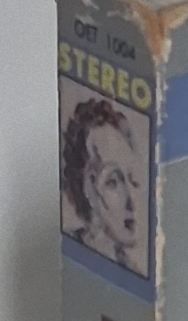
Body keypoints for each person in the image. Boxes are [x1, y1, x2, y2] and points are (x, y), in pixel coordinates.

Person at [61, 97, 147, 276]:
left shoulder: (133, 273)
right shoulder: (65, 249)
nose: (131, 201)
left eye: (132, 179)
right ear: (89, 188)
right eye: (113, 182)